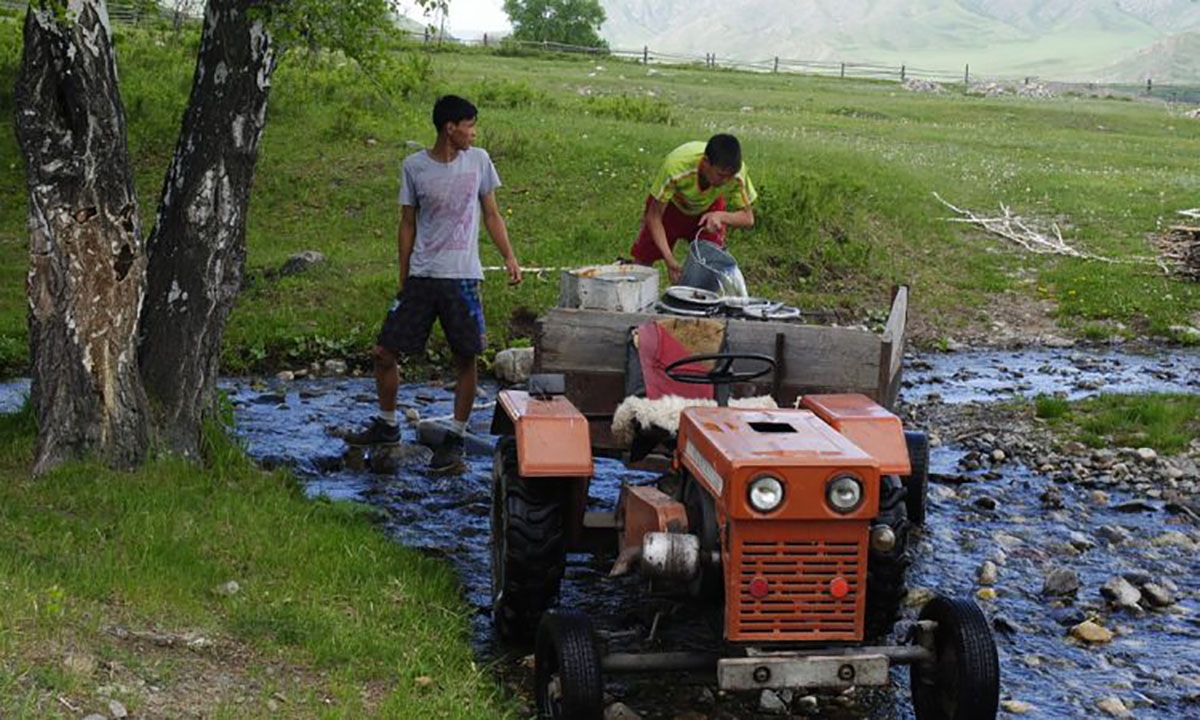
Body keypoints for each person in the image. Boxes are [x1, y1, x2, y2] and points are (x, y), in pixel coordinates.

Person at [346, 95, 522, 473]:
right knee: (384, 352)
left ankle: (455, 438)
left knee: (466, 357)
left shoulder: (479, 161)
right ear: (450, 128)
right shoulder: (414, 167)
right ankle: (388, 424)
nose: (474, 132)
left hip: (462, 276)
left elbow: (491, 213)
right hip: (423, 276)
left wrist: (508, 256)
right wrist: (403, 273)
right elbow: (407, 222)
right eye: (469, 125)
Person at [629, 134, 757, 284]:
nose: (726, 182)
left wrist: (721, 216)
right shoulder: (676, 167)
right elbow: (654, 217)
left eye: (730, 177)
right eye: (721, 175)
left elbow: (748, 218)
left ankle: (703, 300)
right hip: (671, 206)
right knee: (643, 260)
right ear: (705, 162)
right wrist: (669, 260)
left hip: (708, 208)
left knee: (711, 261)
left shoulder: (737, 174)